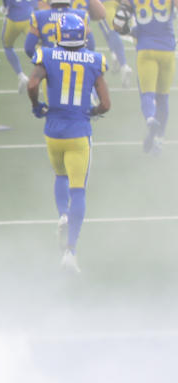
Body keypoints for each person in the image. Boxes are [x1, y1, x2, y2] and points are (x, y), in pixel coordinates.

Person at [27, 12, 111, 272]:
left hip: (53, 131)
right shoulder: (94, 59)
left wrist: (37, 105)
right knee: (79, 190)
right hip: (78, 133)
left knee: (60, 176)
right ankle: (71, 251)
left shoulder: (48, 55)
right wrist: (93, 111)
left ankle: (62, 214)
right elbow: (106, 104)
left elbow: (32, 84)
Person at [113, 0, 176, 154]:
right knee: (163, 97)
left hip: (146, 49)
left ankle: (150, 119)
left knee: (147, 94)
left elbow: (118, 23)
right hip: (167, 50)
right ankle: (159, 140)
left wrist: (132, 30)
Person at [25, 0, 103, 58]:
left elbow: (29, 48)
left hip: (50, 63)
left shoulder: (39, 16)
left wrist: (43, 60)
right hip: (76, 67)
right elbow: (91, 46)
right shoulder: (81, 15)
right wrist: (80, 59)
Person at [1, 0, 39, 92]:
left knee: (7, 46)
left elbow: (6, 7)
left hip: (12, 21)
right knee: (38, 49)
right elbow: (36, 5)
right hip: (28, 20)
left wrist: (4, 8)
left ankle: (21, 75)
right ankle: (43, 73)